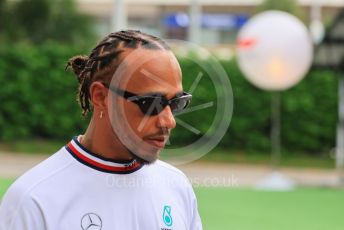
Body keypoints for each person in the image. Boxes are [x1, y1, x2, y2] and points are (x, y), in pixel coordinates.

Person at [0, 30, 202, 230]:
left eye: (176, 102)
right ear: (101, 97)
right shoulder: (33, 200)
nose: (169, 121)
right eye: (151, 103)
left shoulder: (177, 186)